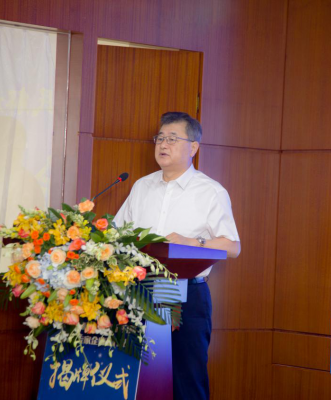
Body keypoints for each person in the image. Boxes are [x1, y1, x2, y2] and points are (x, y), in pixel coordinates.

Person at [113, 111, 241, 400]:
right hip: (139, 291)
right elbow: (118, 234)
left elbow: (233, 247)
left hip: (185, 295)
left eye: (172, 139)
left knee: (186, 381)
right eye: (160, 138)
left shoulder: (210, 191)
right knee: (138, 379)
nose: (163, 144)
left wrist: (192, 242)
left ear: (193, 147)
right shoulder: (141, 186)